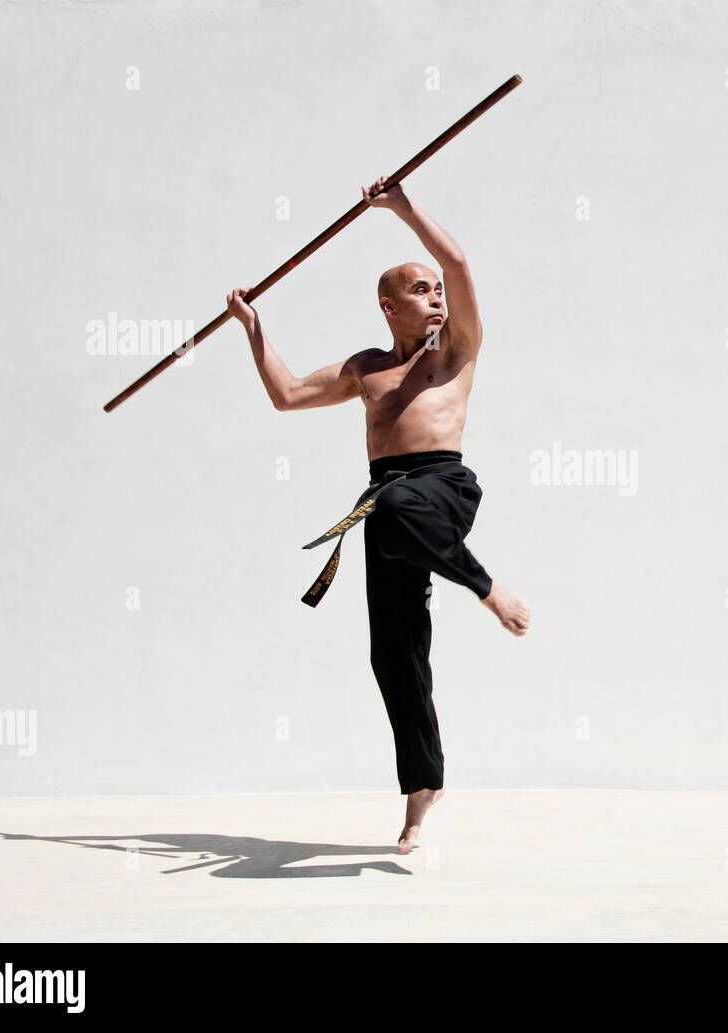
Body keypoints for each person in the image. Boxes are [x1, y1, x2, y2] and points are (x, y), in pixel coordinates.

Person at [226, 175, 530, 853]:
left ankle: (487, 587)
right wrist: (254, 328)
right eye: (419, 291)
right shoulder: (366, 368)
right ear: (388, 306)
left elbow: (459, 264)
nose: (436, 298)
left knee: (393, 506)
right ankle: (423, 788)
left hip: (440, 490)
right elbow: (287, 393)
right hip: (385, 501)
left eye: (437, 292)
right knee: (394, 653)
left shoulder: (455, 350)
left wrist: (403, 207)